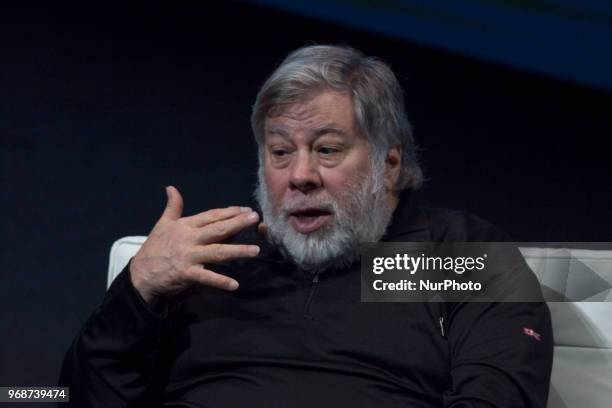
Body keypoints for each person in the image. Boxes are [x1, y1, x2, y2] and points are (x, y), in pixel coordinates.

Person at [59, 45, 553, 407]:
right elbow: (80, 399)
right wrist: (138, 292)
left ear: (389, 164)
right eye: (280, 152)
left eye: (327, 149)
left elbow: (497, 399)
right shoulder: (208, 259)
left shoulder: (454, 255)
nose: (299, 175)